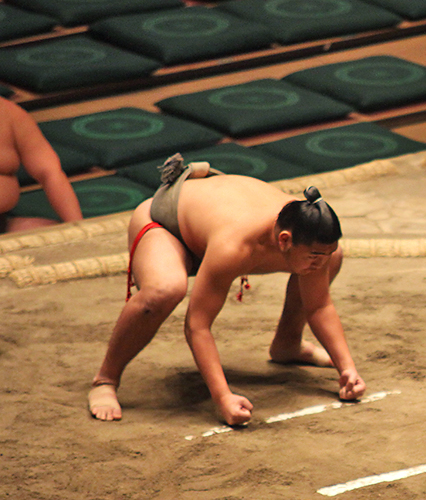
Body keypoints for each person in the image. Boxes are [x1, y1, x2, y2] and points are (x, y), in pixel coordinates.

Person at [89, 155, 366, 425]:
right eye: (315, 255)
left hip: (211, 228)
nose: (320, 262)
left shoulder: (306, 227)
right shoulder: (235, 245)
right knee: (165, 289)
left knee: (334, 256)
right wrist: (223, 398)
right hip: (165, 223)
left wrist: (348, 369)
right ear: (284, 241)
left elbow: (319, 305)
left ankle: (287, 345)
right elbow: (197, 325)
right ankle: (106, 379)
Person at [0, 97, 83, 232]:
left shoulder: (10, 114)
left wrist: (77, 226)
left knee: (56, 234)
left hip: (2, 223)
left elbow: (50, 173)